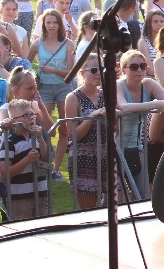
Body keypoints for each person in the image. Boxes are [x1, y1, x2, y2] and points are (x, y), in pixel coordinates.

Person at [117, 50, 164, 192]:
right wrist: (155, 105)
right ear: (124, 69)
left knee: (143, 195)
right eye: (134, 67)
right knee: (119, 197)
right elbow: (123, 107)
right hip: (116, 149)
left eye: (143, 66)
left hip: (138, 147)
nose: (139, 70)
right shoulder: (118, 86)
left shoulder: (148, 83)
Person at [27, 9, 75, 181]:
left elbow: (71, 73)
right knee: (44, 128)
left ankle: (56, 169)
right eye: (48, 22)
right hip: (44, 88)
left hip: (63, 87)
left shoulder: (68, 44)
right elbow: (26, 63)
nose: (52, 26)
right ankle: (45, 164)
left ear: (60, 24)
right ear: (43, 24)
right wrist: (33, 76)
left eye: (55, 22)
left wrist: (53, 70)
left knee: (64, 128)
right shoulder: (37, 43)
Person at [0, 98, 49, 219]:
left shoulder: (37, 137)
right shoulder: (9, 142)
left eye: (32, 114)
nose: (31, 118)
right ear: (14, 120)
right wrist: (27, 160)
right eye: (26, 115)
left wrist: (41, 139)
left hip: (41, 193)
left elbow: (46, 159)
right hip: (20, 198)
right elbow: (5, 173)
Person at [63, 53, 106, 210]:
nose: (98, 73)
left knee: (116, 206)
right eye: (94, 70)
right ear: (82, 73)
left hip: (106, 155)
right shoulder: (73, 98)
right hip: (84, 158)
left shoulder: (106, 94)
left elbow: (115, 130)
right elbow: (73, 135)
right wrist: (91, 117)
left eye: (101, 69)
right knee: (89, 211)